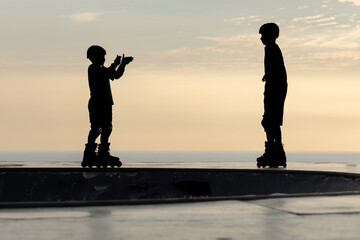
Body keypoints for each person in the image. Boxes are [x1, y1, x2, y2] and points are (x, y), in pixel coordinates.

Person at [82, 45, 133, 168]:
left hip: (106, 103)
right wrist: (116, 64)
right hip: (97, 104)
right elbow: (107, 73)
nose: (103, 58)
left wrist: (123, 64)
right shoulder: (92, 69)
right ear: (94, 57)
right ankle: (89, 155)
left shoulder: (102, 69)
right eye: (102, 56)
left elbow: (115, 75)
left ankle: (103, 153)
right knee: (97, 128)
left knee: (107, 128)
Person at [257, 23, 288, 168]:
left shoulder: (271, 49)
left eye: (263, 35)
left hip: (274, 89)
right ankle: (275, 152)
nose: (261, 39)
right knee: (271, 122)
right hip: (275, 88)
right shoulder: (272, 49)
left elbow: (276, 71)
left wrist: (270, 80)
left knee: (270, 121)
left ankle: (274, 152)